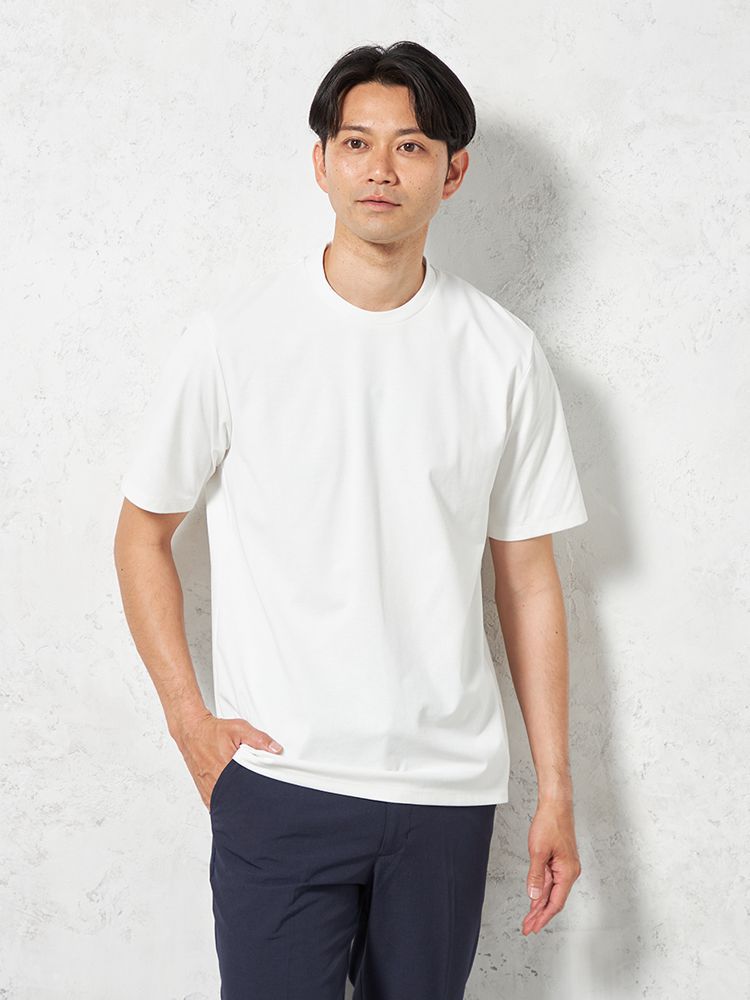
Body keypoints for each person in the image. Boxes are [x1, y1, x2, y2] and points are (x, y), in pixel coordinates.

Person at [114, 39, 587, 1000]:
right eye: (357, 142)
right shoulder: (235, 340)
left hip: (446, 795)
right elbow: (141, 533)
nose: (381, 169)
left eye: (411, 146)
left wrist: (556, 788)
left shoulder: (502, 354)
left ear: (454, 171)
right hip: (281, 784)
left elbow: (529, 578)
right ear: (320, 162)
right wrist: (189, 724)